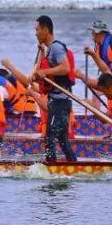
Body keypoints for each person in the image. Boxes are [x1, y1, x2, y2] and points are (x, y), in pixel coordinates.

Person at [31, 14, 77, 162]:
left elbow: (65, 68)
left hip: (60, 102)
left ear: (45, 30)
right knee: (62, 140)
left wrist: (45, 72)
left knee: (49, 137)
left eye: (37, 30)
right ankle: (72, 164)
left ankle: (51, 167)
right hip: (57, 100)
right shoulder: (49, 49)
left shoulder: (56, 47)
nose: (35, 33)